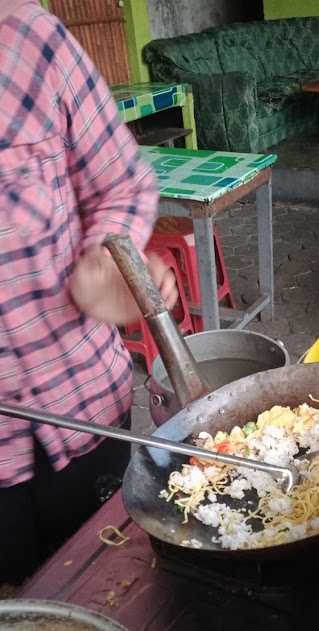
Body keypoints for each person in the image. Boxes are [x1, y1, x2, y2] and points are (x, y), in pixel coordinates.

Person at [0, 0, 178, 585]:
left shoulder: (28, 39)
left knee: (107, 586)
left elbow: (121, 181)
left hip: (80, 412)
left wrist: (108, 259)